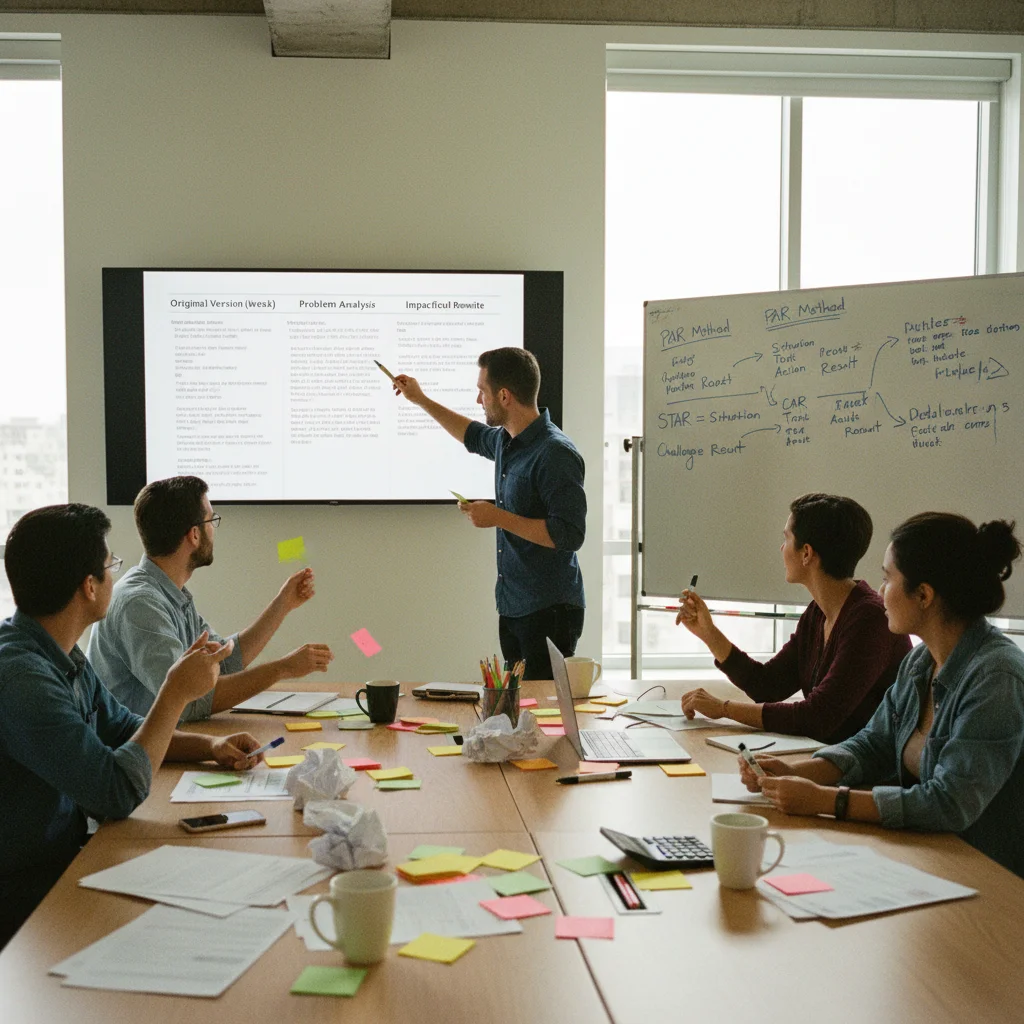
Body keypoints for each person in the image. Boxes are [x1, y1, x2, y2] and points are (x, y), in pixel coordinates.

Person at [0, 504, 264, 948]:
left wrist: (209, 746)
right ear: (88, 586)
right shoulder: (22, 679)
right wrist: (175, 693)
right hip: (25, 895)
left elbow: (124, 730)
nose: (114, 575)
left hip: (62, 862)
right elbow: (115, 791)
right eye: (109, 565)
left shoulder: (57, 653)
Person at [741, 512, 1024, 878]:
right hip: (931, 857)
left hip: (990, 877)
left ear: (923, 595)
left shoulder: (996, 677)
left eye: (888, 578)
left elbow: (950, 804)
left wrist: (826, 800)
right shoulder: (921, 662)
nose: (879, 590)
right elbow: (873, 744)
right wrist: (793, 773)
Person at [392, 347, 585, 680]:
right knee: (518, 711)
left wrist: (497, 517)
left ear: (505, 396)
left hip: (549, 610)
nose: (479, 400)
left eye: (483, 391)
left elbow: (569, 534)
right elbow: (470, 434)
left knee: (543, 711)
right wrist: (420, 399)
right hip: (513, 605)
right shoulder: (506, 441)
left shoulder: (555, 453)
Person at [87, 476, 333, 720]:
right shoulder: (140, 604)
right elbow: (189, 701)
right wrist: (283, 668)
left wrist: (283, 604)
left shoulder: (169, 593)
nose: (213, 530)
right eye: (211, 520)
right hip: (142, 756)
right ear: (194, 534)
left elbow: (225, 663)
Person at [676, 493, 910, 743]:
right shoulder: (817, 613)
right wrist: (709, 634)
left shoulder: (870, 620)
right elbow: (767, 686)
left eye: (786, 538)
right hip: (829, 760)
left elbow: (817, 717)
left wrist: (724, 708)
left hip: (870, 776)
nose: (781, 547)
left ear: (806, 553)